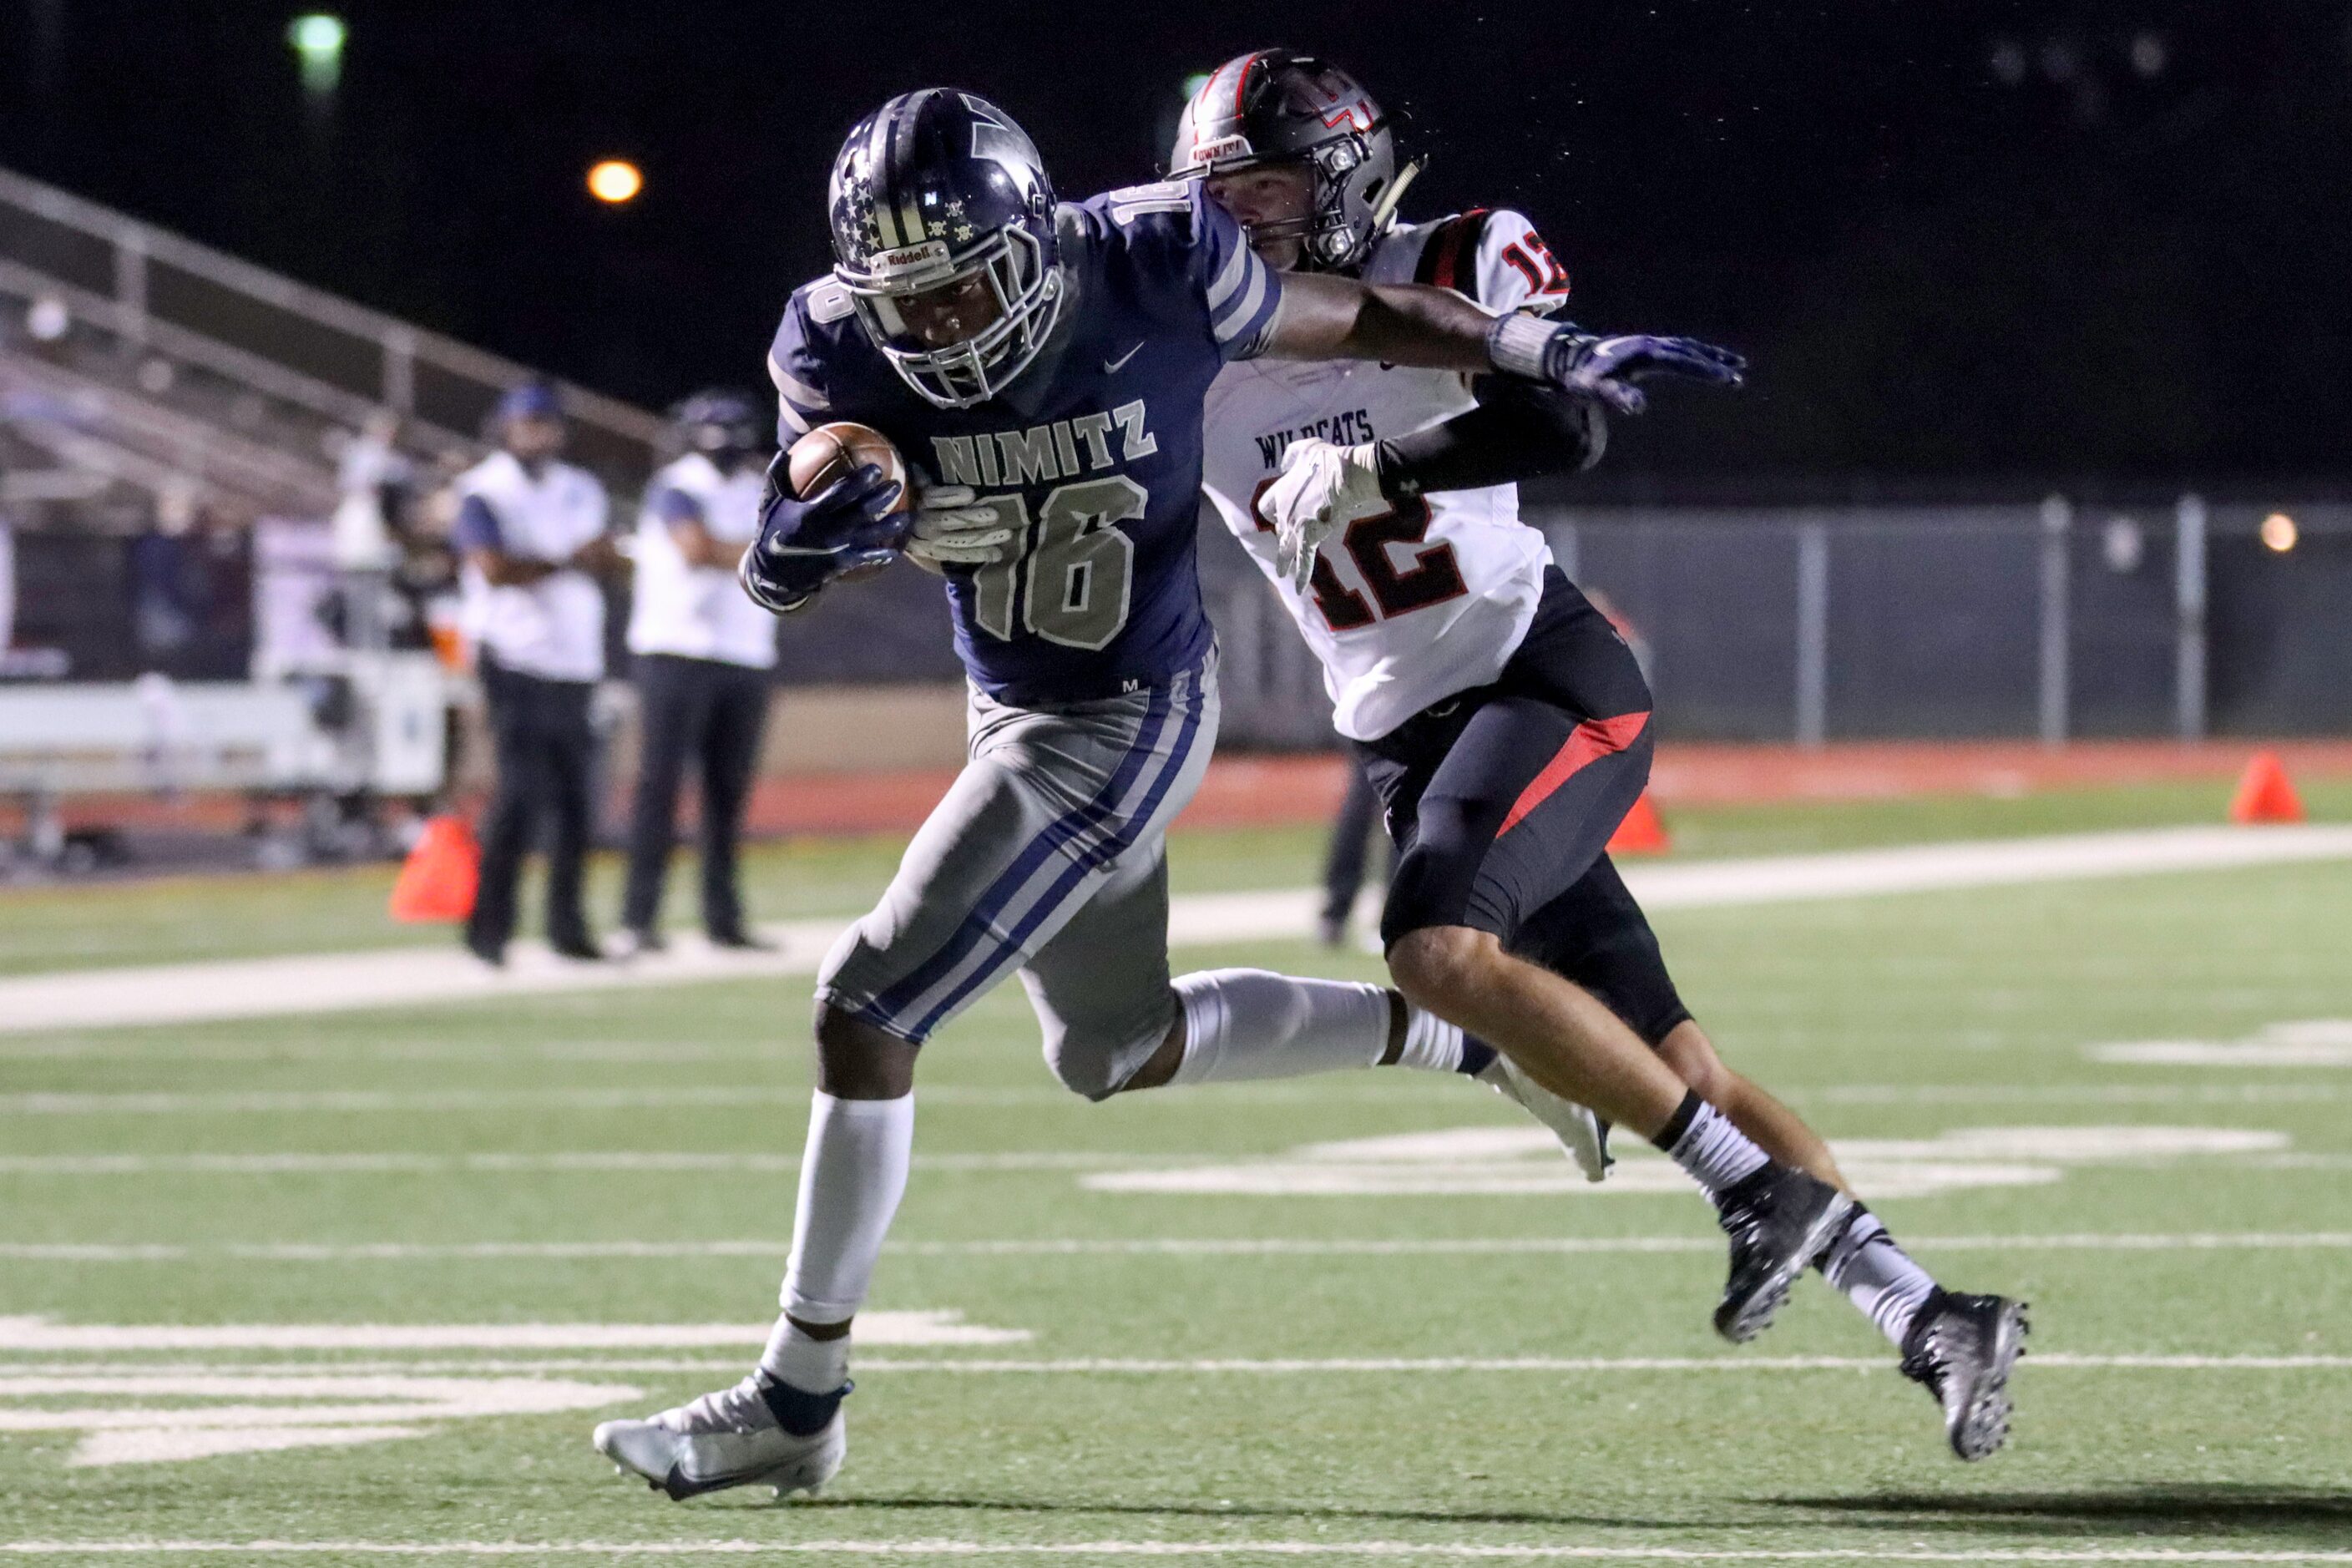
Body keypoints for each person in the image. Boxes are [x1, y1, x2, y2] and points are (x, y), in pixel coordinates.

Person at [593, 86, 1828, 1505]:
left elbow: (1363, 317)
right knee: (1111, 1046)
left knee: (865, 1003)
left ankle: (796, 1396)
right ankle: (1468, 1046)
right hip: (1014, 705)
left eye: (966, 285)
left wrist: (1534, 344)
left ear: (1032, 239)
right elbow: (814, 491)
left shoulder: (1153, 257)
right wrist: (800, 539)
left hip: (1125, 713)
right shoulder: (828, 332)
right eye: (908, 299)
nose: (939, 326)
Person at [1176, 49, 2026, 1460]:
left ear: (1344, 178)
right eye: (1229, 194)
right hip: (1406, 732)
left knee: (1435, 948)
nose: (1254, 223)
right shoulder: (1184, 345)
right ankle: (1930, 1309)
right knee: (1670, 1057)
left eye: (1278, 188)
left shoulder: (1448, 257)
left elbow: (1556, 419)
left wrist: (1380, 466)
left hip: (1537, 674)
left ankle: (1755, 1196)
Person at [453, 382, 621, 966]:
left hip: (574, 661)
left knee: (578, 803)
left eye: (545, 424)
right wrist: (564, 562)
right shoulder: (483, 490)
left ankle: (566, 930)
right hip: (514, 657)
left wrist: (586, 559)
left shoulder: (579, 487)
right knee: (518, 798)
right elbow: (492, 567)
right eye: (527, 424)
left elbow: (606, 558)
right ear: (505, 428)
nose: (537, 434)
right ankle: (488, 932)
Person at [615, 390, 780, 956]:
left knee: (727, 794)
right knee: (659, 788)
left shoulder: (760, 485)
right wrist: (772, 550)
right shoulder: (676, 484)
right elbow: (696, 548)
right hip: (676, 651)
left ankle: (723, 919)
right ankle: (638, 918)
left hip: (743, 652)